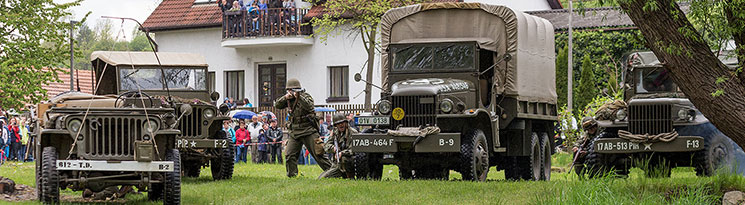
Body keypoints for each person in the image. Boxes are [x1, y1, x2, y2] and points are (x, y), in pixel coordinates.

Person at [274, 78, 331, 177]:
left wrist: (299, 97)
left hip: (308, 130)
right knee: (289, 154)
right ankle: (292, 176)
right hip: (295, 131)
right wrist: (285, 97)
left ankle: (332, 172)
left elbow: (309, 106)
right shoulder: (288, 99)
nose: (290, 92)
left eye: (292, 90)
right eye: (289, 90)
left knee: (319, 153)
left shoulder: (305, 96)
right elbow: (277, 105)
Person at [318, 113, 359, 179]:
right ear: (336, 125)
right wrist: (333, 148)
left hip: (350, 162)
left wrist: (342, 153)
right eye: (338, 123)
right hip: (337, 163)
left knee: (344, 159)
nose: (341, 124)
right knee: (322, 177)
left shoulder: (353, 133)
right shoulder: (335, 132)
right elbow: (326, 145)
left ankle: (349, 176)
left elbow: (355, 149)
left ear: (346, 122)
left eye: (342, 122)